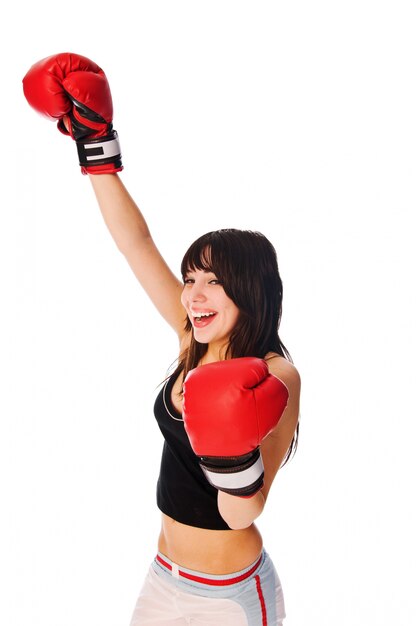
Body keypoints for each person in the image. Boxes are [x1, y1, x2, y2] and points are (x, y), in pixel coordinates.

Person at [23, 53, 301, 626]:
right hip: (163, 577)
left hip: (231, 595)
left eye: (213, 282)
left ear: (250, 290)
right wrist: (95, 146)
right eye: (191, 278)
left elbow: (244, 511)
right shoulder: (192, 340)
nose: (193, 295)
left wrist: (228, 445)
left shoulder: (276, 374)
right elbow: (136, 244)